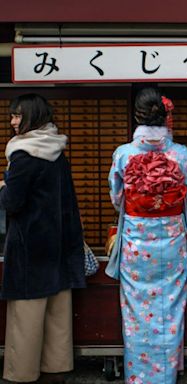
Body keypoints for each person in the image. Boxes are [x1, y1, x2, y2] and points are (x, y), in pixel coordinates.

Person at [108, 87, 187, 383]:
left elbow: (118, 198)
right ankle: (166, 374)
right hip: (172, 238)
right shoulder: (179, 154)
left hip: (136, 241)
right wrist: (180, 212)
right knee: (171, 306)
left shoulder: (124, 154)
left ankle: (139, 377)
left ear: (137, 116)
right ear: (165, 116)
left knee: (136, 310)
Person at [0, 93, 86, 384]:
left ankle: (21, 374)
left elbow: (13, 202)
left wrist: (3, 185)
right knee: (57, 312)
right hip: (59, 243)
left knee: (26, 315)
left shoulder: (23, 155)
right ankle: (56, 367)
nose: (12, 121)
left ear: (32, 117)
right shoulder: (57, 151)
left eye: (17, 115)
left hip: (29, 245)